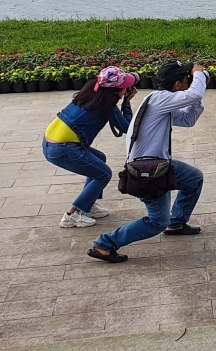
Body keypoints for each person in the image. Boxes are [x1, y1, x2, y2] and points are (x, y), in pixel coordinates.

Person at [88, 60, 208, 263]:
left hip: (158, 164)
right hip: (148, 172)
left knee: (194, 178)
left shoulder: (159, 101)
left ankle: (177, 222)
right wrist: (200, 76)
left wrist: (197, 95)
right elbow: (195, 93)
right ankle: (105, 244)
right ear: (178, 85)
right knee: (156, 222)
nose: (191, 81)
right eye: (188, 79)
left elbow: (188, 120)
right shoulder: (161, 99)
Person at [42, 66, 136, 228]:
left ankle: (88, 205)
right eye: (125, 86)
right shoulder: (107, 105)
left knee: (99, 158)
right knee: (104, 174)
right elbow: (127, 128)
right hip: (63, 149)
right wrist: (126, 103)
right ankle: (73, 214)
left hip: (51, 143)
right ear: (115, 91)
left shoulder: (90, 93)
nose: (127, 88)